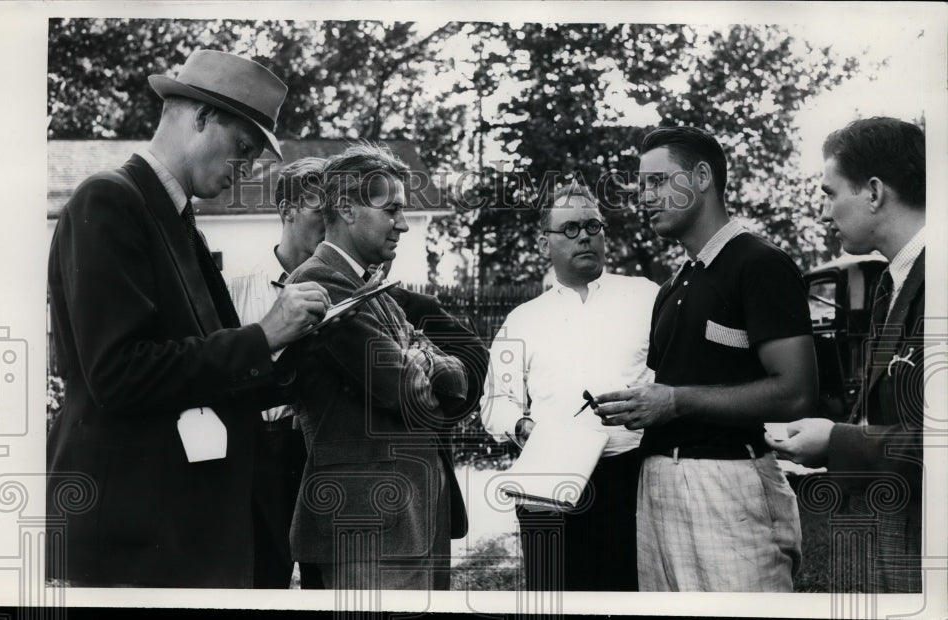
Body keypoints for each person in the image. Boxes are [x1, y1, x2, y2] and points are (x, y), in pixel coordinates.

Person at [46, 49, 330, 588]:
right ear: (199, 117)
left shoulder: (176, 218)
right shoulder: (108, 200)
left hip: (181, 527)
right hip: (131, 535)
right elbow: (118, 372)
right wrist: (264, 334)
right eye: (243, 149)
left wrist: (302, 350)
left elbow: (212, 366)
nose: (246, 169)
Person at [595, 126, 818, 591]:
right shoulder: (672, 287)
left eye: (658, 181)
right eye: (642, 186)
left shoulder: (760, 264)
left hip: (731, 485)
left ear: (701, 177)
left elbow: (796, 392)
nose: (645, 197)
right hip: (656, 485)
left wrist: (675, 401)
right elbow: (673, 388)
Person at [285, 143, 470, 590]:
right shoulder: (320, 283)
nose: (403, 225)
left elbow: (458, 378)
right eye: (391, 211)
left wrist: (416, 354)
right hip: (366, 529)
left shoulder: (372, 287)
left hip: (414, 520)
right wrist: (422, 356)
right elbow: (409, 391)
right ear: (347, 209)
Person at [768, 117, 925, 592]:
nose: (824, 212)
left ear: (874, 192)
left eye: (830, 192)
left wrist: (835, 442)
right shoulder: (893, 283)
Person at [479, 183, 659, 591]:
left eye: (593, 225)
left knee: (628, 594)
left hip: (632, 476)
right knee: (554, 594)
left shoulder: (646, 296)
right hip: (550, 477)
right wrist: (524, 429)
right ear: (545, 244)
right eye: (571, 228)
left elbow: (673, 379)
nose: (585, 236)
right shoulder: (523, 319)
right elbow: (495, 402)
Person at [228, 157, 327, 588]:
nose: (331, 222)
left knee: (328, 586)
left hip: (322, 456)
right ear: (287, 209)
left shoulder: (349, 294)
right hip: (260, 455)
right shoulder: (237, 290)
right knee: (260, 582)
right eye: (320, 210)